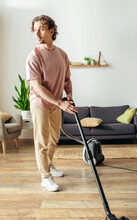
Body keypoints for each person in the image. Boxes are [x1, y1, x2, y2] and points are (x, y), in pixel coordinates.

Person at [26, 15, 78, 192]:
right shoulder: (34, 56)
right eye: (35, 29)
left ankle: (49, 164)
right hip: (40, 103)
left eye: (41, 28)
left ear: (51, 30)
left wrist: (69, 95)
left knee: (54, 138)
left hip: (56, 104)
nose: (37, 33)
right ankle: (45, 176)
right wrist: (59, 102)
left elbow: (67, 80)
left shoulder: (62, 55)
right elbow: (37, 87)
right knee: (42, 141)